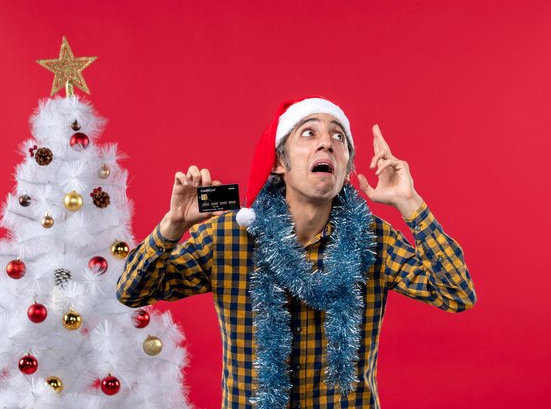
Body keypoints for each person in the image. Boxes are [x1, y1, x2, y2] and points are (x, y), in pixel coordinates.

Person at [116, 96, 476, 409]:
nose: (327, 144)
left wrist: (408, 203)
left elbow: (456, 294)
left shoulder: (373, 239)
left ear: (346, 168)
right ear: (279, 163)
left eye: (339, 137)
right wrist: (173, 226)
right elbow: (133, 291)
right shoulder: (227, 236)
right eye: (310, 133)